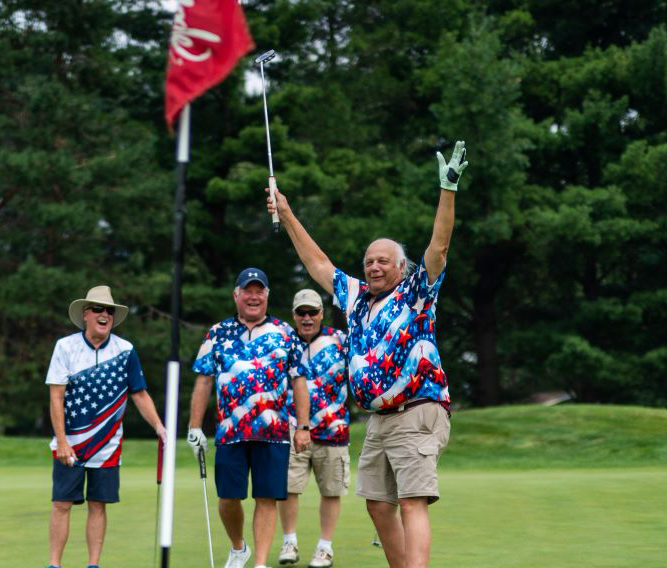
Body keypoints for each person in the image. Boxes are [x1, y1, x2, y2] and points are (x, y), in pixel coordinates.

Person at [266, 142, 469, 568]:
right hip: (379, 419)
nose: (374, 266)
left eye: (383, 261)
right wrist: (286, 215)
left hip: (417, 410)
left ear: (400, 267)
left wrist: (447, 190)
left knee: (412, 503)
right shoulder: (357, 299)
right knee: (378, 506)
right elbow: (318, 263)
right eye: (368, 261)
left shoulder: (416, 293)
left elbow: (439, 248)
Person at [187, 268, 313, 568]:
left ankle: (258, 562)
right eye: (247, 290)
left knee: (267, 499)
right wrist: (194, 426)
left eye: (259, 291)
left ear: (267, 296)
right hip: (231, 431)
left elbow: (299, 382)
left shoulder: (285, 333)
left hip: (274, 432)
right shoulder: (217, 333)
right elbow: (204, 380)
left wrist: (304, 427)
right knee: (228, 499)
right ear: (236, 295)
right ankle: (238, 546)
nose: (253, 296)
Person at [45, 285, 166, 568]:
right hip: (70, 444)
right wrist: (62, 440)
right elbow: (56, 395)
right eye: (98, 309)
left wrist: (160, 427)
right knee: (61, 504)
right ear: (86, 314)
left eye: (109, 311)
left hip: (108, 445)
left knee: (98, 505)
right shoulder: (65, 347)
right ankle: (54, 564)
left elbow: (139, 393)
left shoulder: (125, 350)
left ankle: (93, 565)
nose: (104, 315)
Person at [278, 289, 350, 568]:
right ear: (294, 315)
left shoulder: (340, 340)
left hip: (333, 429)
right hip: (291, 428)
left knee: (331, 491)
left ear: (321, 313)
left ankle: (324, 548)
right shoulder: (283, 342)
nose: (307, 318)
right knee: (288, 488)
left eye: (312, 312)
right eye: (301, 313)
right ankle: (290, 542)